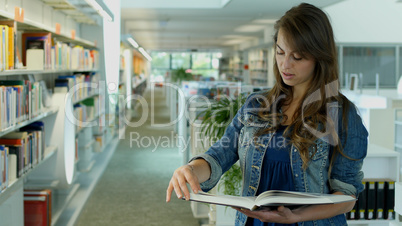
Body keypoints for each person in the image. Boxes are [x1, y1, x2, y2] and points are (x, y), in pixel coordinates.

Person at [166, 3, 368, 226]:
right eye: (280, 52)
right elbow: (221, 154)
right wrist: (191, 170)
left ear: (320, 57)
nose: (285, 64)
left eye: (298, 57)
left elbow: (347, 195)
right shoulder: (256, 105)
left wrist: (296, 216)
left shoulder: (343, 116)